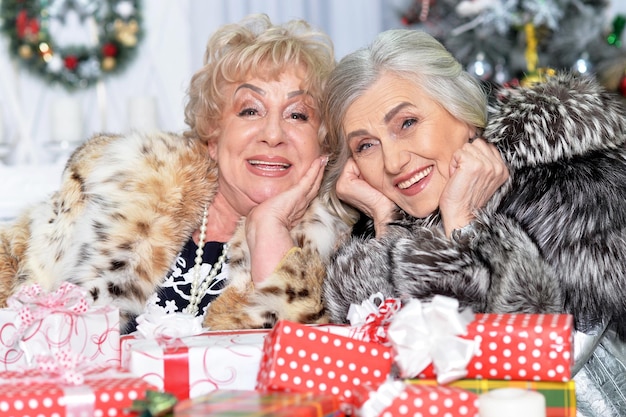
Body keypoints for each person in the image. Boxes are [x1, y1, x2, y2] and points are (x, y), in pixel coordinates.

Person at [320, 29, 626, 416]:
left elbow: (515, 384)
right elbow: (384, 381)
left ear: (462, 111)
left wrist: (466, 225)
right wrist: (386, 224)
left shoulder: (571, 194)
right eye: (365, 146)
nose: (393, 162)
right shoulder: (392, 221)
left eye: (407, 123)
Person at [0, 14, 350, 334]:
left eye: (298, 115)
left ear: (323, 144)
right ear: (213, 135)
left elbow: (311, 369)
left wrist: (271, 228)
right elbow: (12, 258)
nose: (273, 134)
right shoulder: (125, 190)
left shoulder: (339, 248)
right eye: (250, 110)